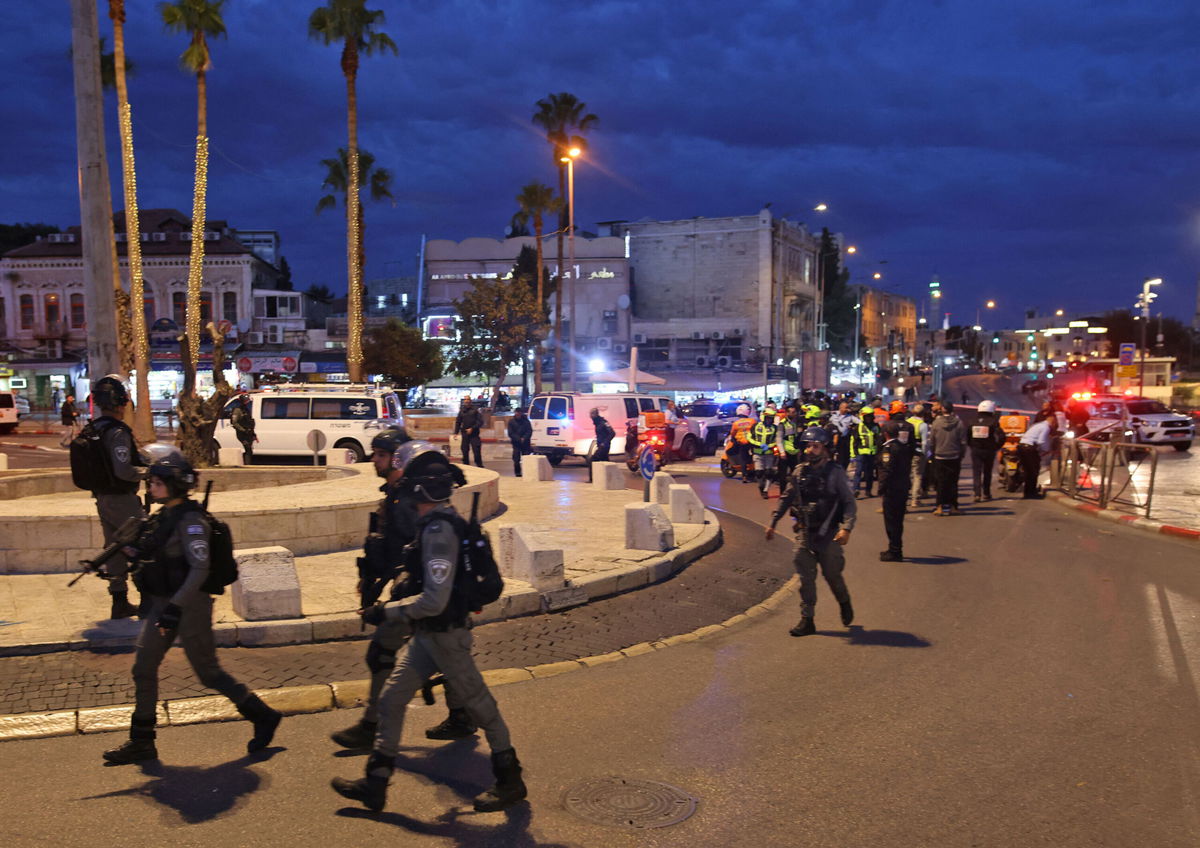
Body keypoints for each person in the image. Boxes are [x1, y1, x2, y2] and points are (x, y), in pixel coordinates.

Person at [332, 443, 526, 813]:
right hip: (427, 635)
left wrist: (386, 612)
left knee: (483, 708)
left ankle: (510, 779)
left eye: (408, 484)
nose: (402, 489)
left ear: (418, 489)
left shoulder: (439, 531)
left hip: (446, 635)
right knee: (391, 699)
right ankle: (376, 783)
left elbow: (434, 600)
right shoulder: (435, 523)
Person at [102, 446, 282, 764]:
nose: (151, 486)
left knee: (208, 673)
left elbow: (199, 568)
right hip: (162, 604)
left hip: (189, 606)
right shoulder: (163, 516)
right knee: (143, 668)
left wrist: (174, 608)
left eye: (157, 481)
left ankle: (262, 714)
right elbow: (154, 554)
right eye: (152, 481)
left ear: (174, 483)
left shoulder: (192, 521)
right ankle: (142, 740)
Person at [330, 429, 474, 750]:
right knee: (443, 649)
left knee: (382, 650)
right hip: (410, 587)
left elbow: (419, 550)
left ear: (399, 459)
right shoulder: (398, 493)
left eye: (381, 455)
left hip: (416, 590)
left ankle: (372, 726)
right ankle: (462, 714)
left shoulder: (412, 498)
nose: (374, 461)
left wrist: (401, 589)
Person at [765, 426, 856, 637]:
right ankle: (808, 620)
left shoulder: (836, 473)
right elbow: (786, 497)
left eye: (815, 446)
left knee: (833, 576)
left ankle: (844, 602)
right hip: (805, 534)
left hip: (829, 534)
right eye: (808, 445)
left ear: (825, 449)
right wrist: (774, 522)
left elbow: (849, 503)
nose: (810, 450)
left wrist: (846, 529)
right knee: (806, 580)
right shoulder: (799, 471)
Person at [80, 375, 145, 619]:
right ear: (121, 401)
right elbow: (124, 470)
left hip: (103, 498)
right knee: (141, 546)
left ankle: (119, 601)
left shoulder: (94, 427)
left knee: (115, 549)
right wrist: (150, 471)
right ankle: (148, 599)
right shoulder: (117, 432)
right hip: (122, 499)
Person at [876, 418, 914, 561]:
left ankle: (895, 551)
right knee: (898, 521)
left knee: (892, 522)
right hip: (902, 487)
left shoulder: (889, 449)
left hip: (892, 490)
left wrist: (881, 489)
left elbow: (887, 470)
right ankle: (895, 548)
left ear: (885, 434)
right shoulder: (903, 447)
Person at [928, 400, 968, 516]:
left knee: (941, 482)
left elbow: (932, 441)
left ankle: (939, 506)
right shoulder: (959, 423)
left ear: (941, 410)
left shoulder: (936, 423)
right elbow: (963, 442)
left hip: (940, 456)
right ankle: (954, 506)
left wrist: (934, 452)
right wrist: (961, 454)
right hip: (954, 456)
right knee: (953, 482)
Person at [969, 400, 1006, 502]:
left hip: (976, 450)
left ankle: (977, 494)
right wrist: (996, 446)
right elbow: (1002, 436)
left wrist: (972, 446)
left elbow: (967, 436)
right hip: (989, 450)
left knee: (976, 472)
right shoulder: (993, 422)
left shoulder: (972, 421)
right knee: (987, 472)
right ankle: (986, 493)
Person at [1017, 410, 1056, 499]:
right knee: (1033, 471)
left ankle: (1028, 492)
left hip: (1022, 447)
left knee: (1028, 471)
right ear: (1052, 419)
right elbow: (1041, 441)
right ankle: (1031, 493)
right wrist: (1047, 450)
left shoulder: (1038, 425)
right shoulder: (1046, 427)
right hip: (1029, 449)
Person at [748, 408, 780, 499]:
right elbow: (749, 437)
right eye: (768, 418)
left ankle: (766, 491)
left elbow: (777, 440)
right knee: (759, 473)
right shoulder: (756, 426)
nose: (770, 420)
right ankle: (761, 487)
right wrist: (759, 444)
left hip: (769, 453)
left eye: (771, 418)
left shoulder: (775, 428)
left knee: (769, 472)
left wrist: (770, 445)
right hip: (757, 453)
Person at [849, 408, 881, 498]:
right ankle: (856, 490)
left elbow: (879, 439)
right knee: (858, 472)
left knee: (869, 473)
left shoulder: (876, 426)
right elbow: (853, 441)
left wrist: (880, 452)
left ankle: (868, 491)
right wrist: (852, 455)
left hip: (872, 453)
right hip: (861, 453)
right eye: (866, 416)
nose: (868, 418)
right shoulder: (858, 427)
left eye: (870, 416)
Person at [905, 403, 930, 510]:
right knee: (917, 476)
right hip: (918, 453)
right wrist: (925, 454)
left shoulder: (907, 423)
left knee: (906, 476)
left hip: (906, 453)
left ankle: (905, 497)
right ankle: (915, 500)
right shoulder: (923, 425)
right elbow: (925, 442)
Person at [727, 403, 756, 483]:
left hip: (742, 443)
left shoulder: (736, 423)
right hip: (752, 443)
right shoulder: (752, 421)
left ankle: (744, 476)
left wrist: (734, 439)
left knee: (743, 459)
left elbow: (732, 433)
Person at [454, 397, 484, 468]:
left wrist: (472, 428)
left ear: (470, 401)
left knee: (476, 450)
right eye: (465, 400)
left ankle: (479, 465)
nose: (466, 401)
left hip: (474, 434)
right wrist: (456, 432)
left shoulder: (475, 410)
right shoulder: (462, 411)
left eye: (468, 400)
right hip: (465, 433)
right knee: (464, 450)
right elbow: (458, 422)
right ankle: (466, 465)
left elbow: (480, 422)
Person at [230, 392, 257, 465]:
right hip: (242, 434)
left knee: (249, 450)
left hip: (248, 433)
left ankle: (247, 464)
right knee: (248, 449)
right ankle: (246, 465)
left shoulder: (246, 409)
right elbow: (234, 422)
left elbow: (249, 421)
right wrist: (243, 430)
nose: (247, 402)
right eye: (246, 400)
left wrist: (253, 433)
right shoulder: (237, 410)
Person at [830, 401, 858, 469]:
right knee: (836, 456)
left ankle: (843, 470)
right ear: (840, 408)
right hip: (835, 438)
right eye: (845, 407)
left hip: (844, 439)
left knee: (845, 456)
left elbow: (859, 422)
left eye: (847, 408)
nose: (847, 409)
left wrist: (853, 426)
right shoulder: (834, 415)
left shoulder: (850, 416)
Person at [507, 407, 533, 476]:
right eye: (517, 412)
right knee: (516, 459)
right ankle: (517, 473)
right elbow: (510, 433)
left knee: (526, 459)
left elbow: (529, 431)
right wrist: (518, 438)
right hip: (516, 444)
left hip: (525, 443)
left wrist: (524, 438)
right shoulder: (511, 422)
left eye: (519, 412)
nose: (518, 414)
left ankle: (527, 473)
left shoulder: (526, 421)